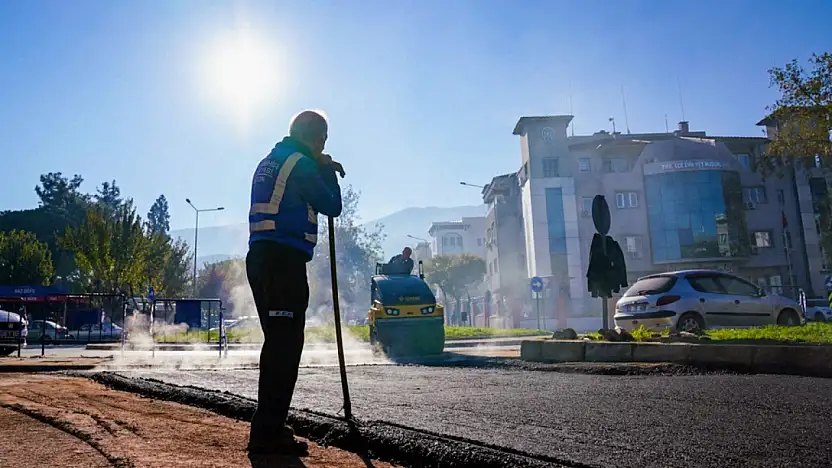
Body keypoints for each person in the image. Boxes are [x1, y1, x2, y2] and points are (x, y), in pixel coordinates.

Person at [246, 110, 344, 459]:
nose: (323, 146)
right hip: (281, 262)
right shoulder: (299, 163)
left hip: (262, 259)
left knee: (278, 345)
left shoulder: (272, 160)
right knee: (284, 349)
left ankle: (270, 427)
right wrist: (327, 170)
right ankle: (266, 434)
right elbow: (331, 205)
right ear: (315, 138)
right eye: (323, 140)